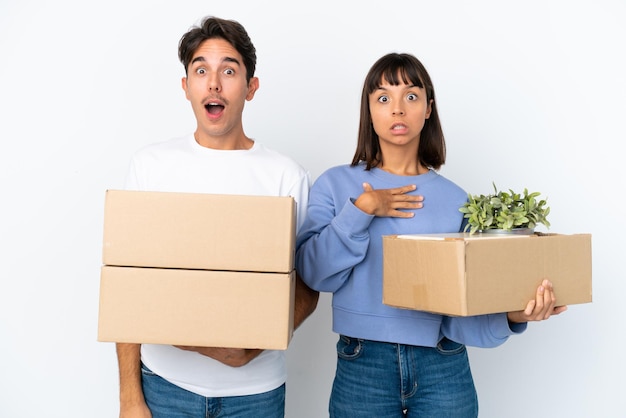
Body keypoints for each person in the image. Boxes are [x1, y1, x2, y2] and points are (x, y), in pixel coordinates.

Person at [294, 52, 567, 418]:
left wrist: (514, 316)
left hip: (444, 364)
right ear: (369, 111)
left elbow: (464, 312)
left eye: (411, 96)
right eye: (383, 98)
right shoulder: (335, 184)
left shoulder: (458, 201)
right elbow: (314, 274)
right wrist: (361, 210)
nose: (397, 109)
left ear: (428, 108)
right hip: (364, 365)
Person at [116, 16, 319, 418]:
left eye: (229, 70)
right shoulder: (151, 166)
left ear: (250, 87)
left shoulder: (285, 175)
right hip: (165, 387)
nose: (214, 83)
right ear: (186, 86)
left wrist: (252, 347)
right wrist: (129, 398)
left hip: (257, 394)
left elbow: (308, 286)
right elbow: (126, 283)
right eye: (201, 70)